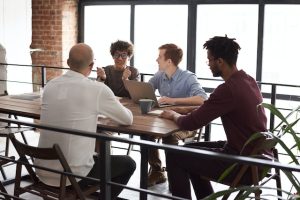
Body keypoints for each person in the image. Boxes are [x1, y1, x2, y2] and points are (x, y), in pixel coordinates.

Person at [160, 36, 270, 199]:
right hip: (258, 156)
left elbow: (191, 123)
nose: (209, 64)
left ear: (220, 62)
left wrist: (173, 114)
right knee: (188, 151)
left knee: (175, 155)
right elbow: (214, 106)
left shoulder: (228, 89)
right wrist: (183, 108)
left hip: (243, 164)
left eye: (209, 60)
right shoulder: (247, 80)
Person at [35, 43, 136, 200]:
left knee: (94, 153)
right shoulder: (96, 89)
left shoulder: (50, 85)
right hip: (72, 175)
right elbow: (127, 119)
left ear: (68, 63)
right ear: (92, 65)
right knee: (128, 163)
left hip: (41, 170)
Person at [147, 43, 208, 187]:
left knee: (170, 137)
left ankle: (176, 175)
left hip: (187, 123)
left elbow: (202, 99)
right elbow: (146, 90)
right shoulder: (159, 75)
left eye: (160, 57)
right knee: (147, 134)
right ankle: (157, 171)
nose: (157, 60)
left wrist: (172, 100)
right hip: (166, 120)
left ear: (169, 61)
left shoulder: (188, 77)